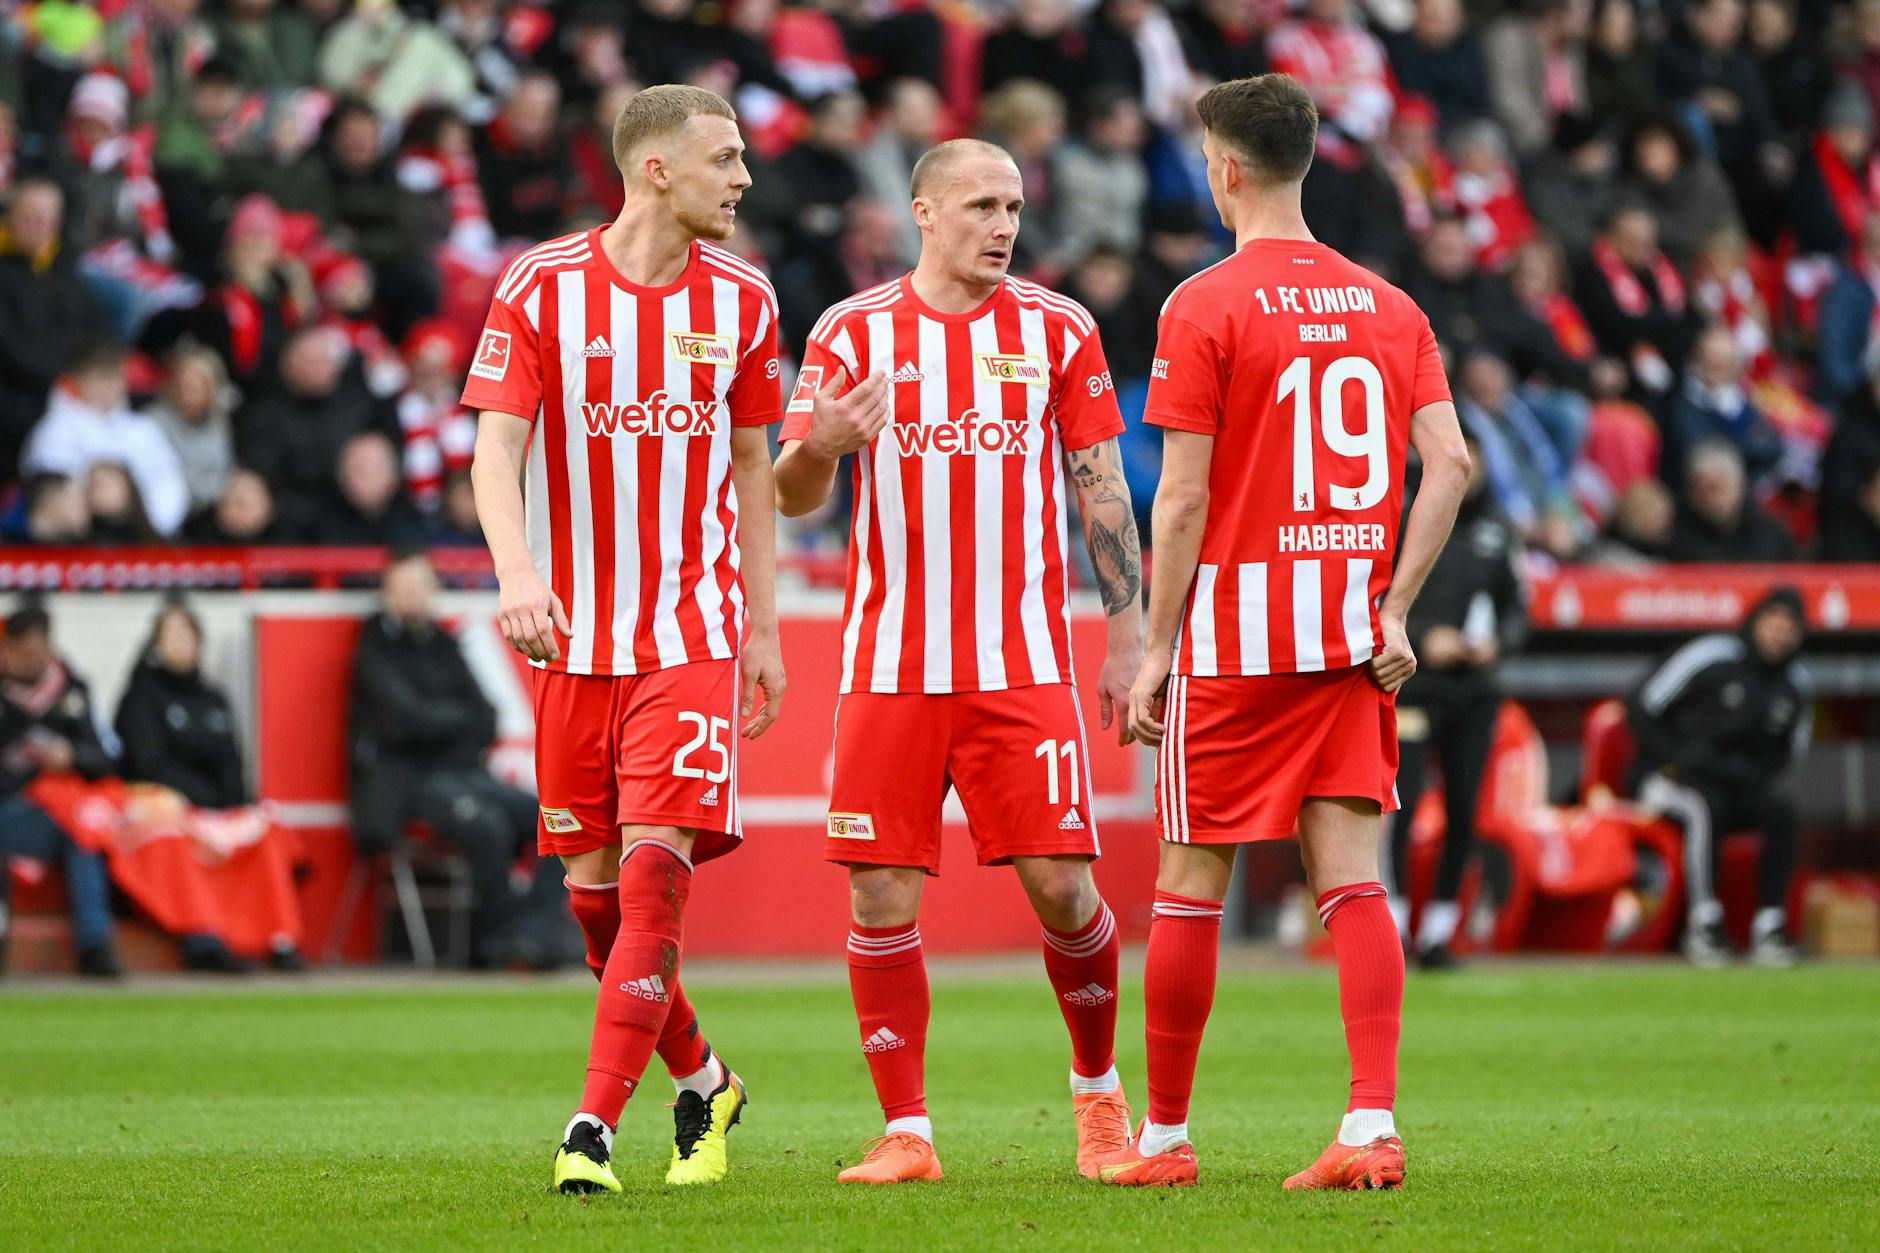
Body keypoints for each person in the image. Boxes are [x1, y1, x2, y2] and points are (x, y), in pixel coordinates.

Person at [1114, 73, 1471, 1191]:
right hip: (1347, 636)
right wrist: (1396, 602)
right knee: (1352, 883)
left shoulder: (1203, 301)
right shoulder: (1388, 303)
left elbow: (1177, 499)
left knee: (1187, 880)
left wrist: (1157, 644)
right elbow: (1451, 461)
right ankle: (1369, 1122)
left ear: (1221, 168)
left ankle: (1164, 1139)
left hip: (1233, 638)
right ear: (1304, 160)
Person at [773, 138, 1144, 1186]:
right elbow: (792, 492)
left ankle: (1096, 1094)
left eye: (1014, 206)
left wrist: (1127, 636)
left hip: (1017, 662)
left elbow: (1100, 486)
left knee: (1064, 887)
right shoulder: (850, 330)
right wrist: (821, 446)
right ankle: (907, 1131)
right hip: (888, 663)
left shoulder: (1057, 327)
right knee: (881, 894)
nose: (1002, 224)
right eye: (980, 204)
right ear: (923, 211)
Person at [464, 84, 785, 1196]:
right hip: (572, 641)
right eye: (726, 159)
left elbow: (751, 471)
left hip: (688, 634)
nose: (744, 178)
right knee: (597, 907)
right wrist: (517, 573)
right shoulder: (542, 285)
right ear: (656, 169)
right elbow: (494, 450)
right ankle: (702, 1074)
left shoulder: (745, 298)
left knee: (653, 884)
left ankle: (589, 1129)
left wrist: (759, 626)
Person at [1385, 437, 1527, 968]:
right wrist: (1424, 636)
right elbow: (1372, 594)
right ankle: (1392, 930)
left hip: (1475, 693)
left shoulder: (1498, 530)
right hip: (1413, 685)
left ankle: (1441, 932)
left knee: (1465, 811)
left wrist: (1499, 642)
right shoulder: (1400, 516)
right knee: (1403, 803)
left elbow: (1519, 609)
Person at [114, 597, 298, 972]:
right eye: (173, 635)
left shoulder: (214, 698)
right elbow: (147, 765)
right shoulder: (141, 698)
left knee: (264, 833)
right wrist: (196, 800)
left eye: (188, 635)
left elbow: (232, 761)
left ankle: (279, 939)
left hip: (214, 808)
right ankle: (203, 939)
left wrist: (231, 801)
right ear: (155, 644)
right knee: (176, 838)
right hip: (168, 808)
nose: (182, 643)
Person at [1628, 589, 1810, 967]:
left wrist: (1749, 776)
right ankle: (1704, 923)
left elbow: (1789, 753)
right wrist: (1671, 757)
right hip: (1667, 780)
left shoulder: (1796, 685)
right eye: (1772, 624)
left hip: (1736, 787)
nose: (1778, 635)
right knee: (1703, 806)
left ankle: (1770, 927)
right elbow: (1642, 702)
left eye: (1788, 629)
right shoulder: (1712, 655)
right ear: (1755, 621)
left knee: (1782, 811)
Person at [0, 604, 121, 977]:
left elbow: (108, 758)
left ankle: (95, 947)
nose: (26, 659)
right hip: (9, 809)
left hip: (57, 814)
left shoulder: (74, 693)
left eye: (36, 650)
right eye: (19, 650)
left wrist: (73, 756)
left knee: (82, 835)